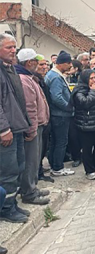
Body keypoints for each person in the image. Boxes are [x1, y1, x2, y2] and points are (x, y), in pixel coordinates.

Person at [0, 34, 31, 223]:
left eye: (14, 47)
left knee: (19, 166)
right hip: (7, 131)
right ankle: (6, 208)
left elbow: (18, 100)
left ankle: (12, 203)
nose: (13, 51)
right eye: (9, 47)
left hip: (17, 127)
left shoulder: (9, 68)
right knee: (8, 171)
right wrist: (3, 129)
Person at [15, 49, 50, 205]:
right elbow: (30, 107)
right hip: (33, 128)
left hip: (38, 125)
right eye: (36, 61)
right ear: (29, 62)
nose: (39, 65)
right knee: (30, 160)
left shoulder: (29, 77)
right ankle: (29, 192)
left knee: (35, 160)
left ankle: (32, 187)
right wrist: (32, 128)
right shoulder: (24, 79)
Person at [72, 69, 95, 180]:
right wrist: (93, 92)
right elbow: (85, 103)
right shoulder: (79, 91)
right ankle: (89, 170)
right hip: (86, 124)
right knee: (87, 149)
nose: (93, 80)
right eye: (90, 78)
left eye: (94, 78)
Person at [45, 50, 75, 177]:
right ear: (62, 64)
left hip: (57, 114)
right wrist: (68, 107)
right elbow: (56, 97)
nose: (70, 67)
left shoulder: (52, 74)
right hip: (60, 115)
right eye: (69, 64)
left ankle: (54, 165)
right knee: (61, 142)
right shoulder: (56, 77)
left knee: (56, 142)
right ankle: (58, 167)